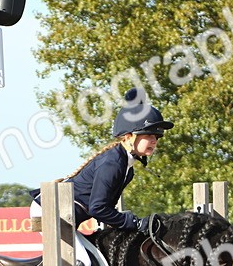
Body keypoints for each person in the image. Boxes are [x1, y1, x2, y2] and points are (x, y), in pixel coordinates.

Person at [30, 87, 172, 237]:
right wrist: (134, 222)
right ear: (128, 136)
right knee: (83, 261)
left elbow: (107, 208)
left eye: (156, 137)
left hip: (67, 216)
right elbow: (97, 209)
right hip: (50, 210)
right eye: (148, 135)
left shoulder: (127, 168)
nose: (154, 141)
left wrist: (129, 222)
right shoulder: (113, 164)